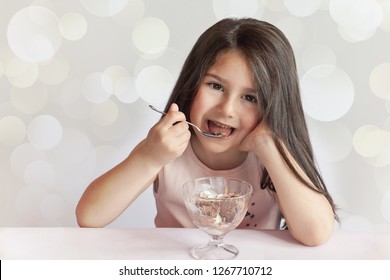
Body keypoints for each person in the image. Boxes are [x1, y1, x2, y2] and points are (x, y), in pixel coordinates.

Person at [76, 17, 338, 246]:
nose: (227, 109)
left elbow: (316, 234)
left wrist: (271, 148)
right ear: (192, 84)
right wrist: (149, 157)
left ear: (273, 106)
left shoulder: (272, 154)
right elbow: (89, 216)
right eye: (216, 86)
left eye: (250, 98)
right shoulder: (164, 149)